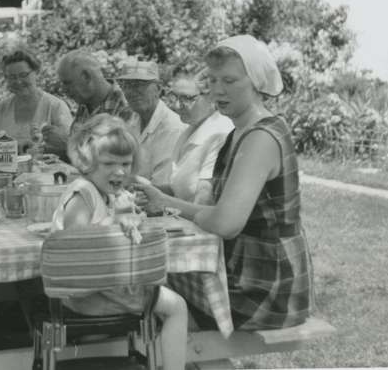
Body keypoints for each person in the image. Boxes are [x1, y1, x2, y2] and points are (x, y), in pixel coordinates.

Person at [135, 35, 313, 330]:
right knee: (148, 277)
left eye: (229, 81)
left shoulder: (260, 138)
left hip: (264, 288)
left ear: (256, 82)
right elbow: (216, 213)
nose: (218, 90)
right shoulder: (238, 133)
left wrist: (169, 204)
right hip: (246, 271)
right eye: (213, 81)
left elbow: (225, 223)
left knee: (143, 286)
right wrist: (164, 201)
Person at [51, 113, 187, 370]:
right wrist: (117, 220)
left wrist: (127, 216)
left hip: (92, 290)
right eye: (109, 163)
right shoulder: (83, 193)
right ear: (86, 163)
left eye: (126, 163)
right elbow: (74, 241)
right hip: (91, 294)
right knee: (177, 307)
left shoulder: (102, 192)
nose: (120, 171)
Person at [0, 48, 72, 155]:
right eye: (12, 77)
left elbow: (69, 147)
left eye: (23, 75)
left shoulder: (56, 107)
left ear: (36, 72)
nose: (18, 81)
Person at [162, 70, 232, 204]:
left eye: (186, 98)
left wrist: (163, 202)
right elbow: (178, 189)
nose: (177, 106)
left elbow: (204, 199)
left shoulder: (220, 133)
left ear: (211, 97)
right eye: (174, 97)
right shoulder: (192, 128)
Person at [117, 60, 183, 186]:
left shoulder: (172, 128)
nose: (131, 92)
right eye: (126, 85)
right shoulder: (132, 121)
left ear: (158, 89)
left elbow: (162, 186)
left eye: (140, 84)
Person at [57, 50, 138, 136]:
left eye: (67, 83)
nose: (63, 90)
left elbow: (124, 148)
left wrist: (66, 143)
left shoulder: (125, 104)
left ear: (86, 76)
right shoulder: (85, 105)